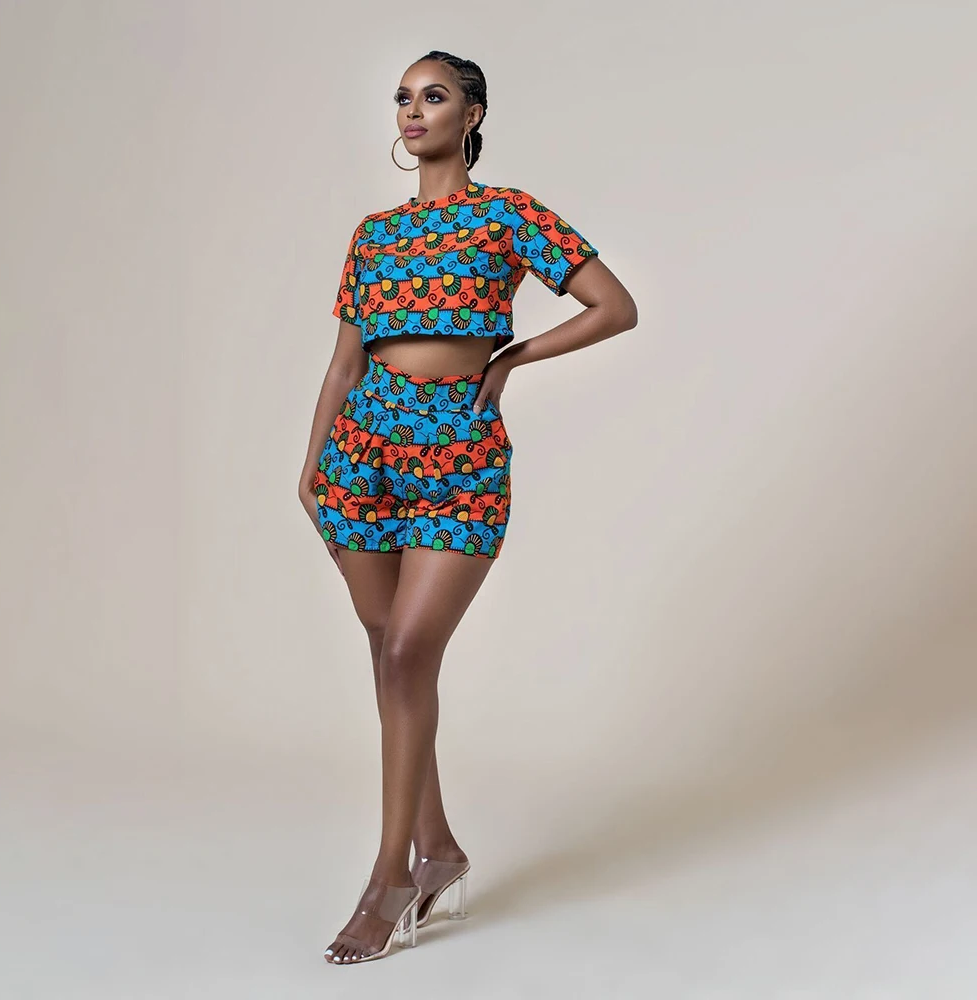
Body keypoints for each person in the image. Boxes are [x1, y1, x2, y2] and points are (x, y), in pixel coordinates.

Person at [298, 49, 637, 965]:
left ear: (472, 114)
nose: (413, 112)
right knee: (388, 654)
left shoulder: (507, 215)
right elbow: (345, 361)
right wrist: (312, 465)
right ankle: (438, 848)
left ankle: (390, 879)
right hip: (361, 452)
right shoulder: (374, 235)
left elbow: (614, 306)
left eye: (434, 96)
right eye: (403, 98)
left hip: (458, 451)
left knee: (410, 651)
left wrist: (514, 357)